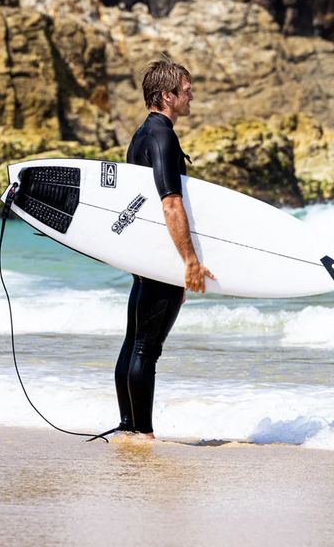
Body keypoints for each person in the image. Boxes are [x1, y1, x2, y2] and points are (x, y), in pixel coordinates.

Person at [114, 60, 215, 439]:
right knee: (146, 347)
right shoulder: (163, 137)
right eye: (185, 90)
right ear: (166, 96)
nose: (191, 96)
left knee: (134, 342)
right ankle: (142, 434)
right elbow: (170, 203)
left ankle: (129, 427)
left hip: (148, 257)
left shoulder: (141, 135)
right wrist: (189, 261)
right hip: (160, 258)